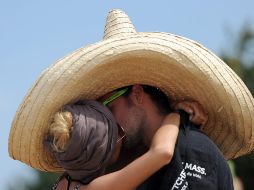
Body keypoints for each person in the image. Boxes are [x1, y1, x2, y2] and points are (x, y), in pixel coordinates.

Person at [46, 100, 180, 190]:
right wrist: (176, 114)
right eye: (118, 131)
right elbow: (162, 152)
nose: (123, 138)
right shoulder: (96, 188)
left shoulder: (65, 181)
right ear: (101, 153)